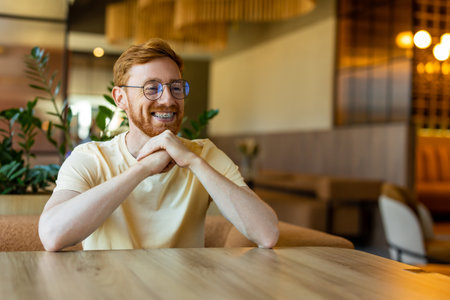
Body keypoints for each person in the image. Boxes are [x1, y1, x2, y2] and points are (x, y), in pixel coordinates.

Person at [38, 38, 279, 251]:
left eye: (176, 87)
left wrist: (193, 162)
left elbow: (267, 234)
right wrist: (143, 169)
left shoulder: (203, 154)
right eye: (151, 88)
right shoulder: (91, 157)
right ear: (120, 98)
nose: (168, 99)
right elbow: (52, 236)